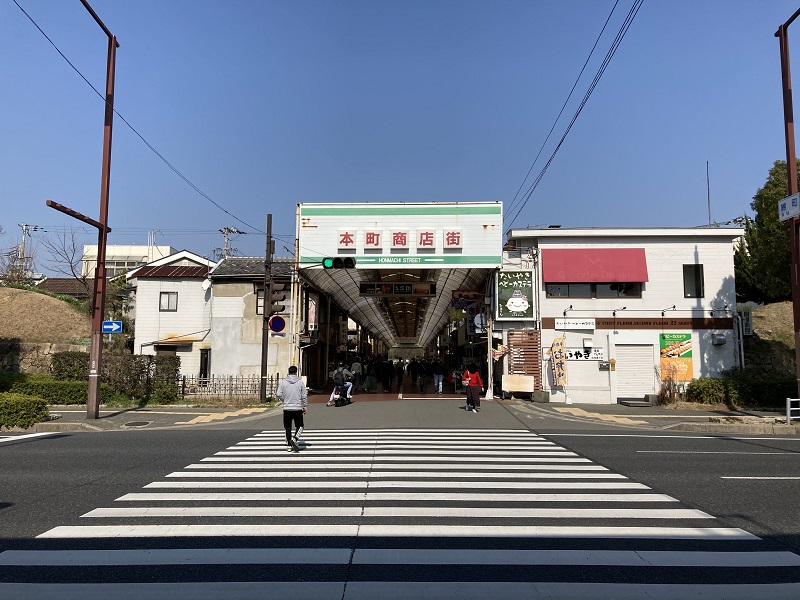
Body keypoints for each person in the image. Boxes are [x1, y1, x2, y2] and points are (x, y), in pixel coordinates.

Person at [277, 365, 307, 451]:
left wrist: (284, 400)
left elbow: (278, 394)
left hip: (287, 408)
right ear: (296, 372)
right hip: (297, 408)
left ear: (288, 372)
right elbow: (304, 395)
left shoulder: (283, 382)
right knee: (300, 426)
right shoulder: (300, 382)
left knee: (287, 427)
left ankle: (289, 446)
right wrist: (305, 406)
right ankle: (295, 438)